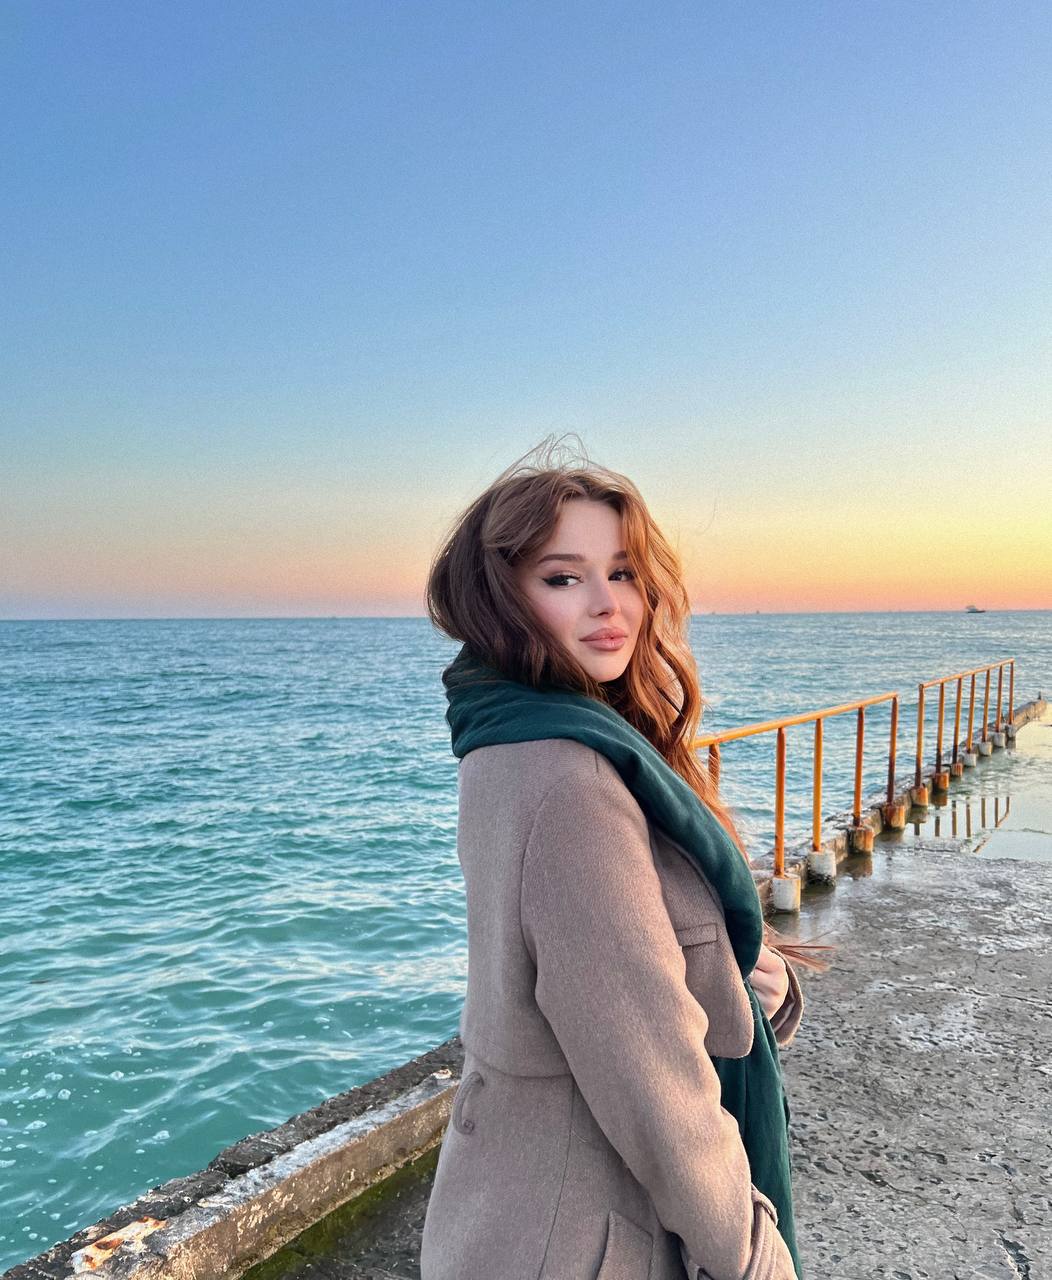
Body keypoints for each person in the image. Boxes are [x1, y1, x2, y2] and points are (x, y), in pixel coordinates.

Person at [420, 436, 834, 1280]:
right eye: (563, 578)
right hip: (580, 1229)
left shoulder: (512, 736)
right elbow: (656, 1088)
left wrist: (743, 977)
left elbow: (606, 969)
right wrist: (757, 1259)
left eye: (623, 572)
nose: (608, 603)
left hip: (510, 1200)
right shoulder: (568, 776)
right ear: (500, 596)